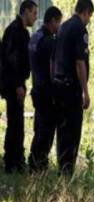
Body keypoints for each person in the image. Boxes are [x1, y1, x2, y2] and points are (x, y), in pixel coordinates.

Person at [53, 0, 94, 175]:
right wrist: (85, 92)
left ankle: (62, 165)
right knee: (73, 128)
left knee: (62, 128)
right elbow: (79, 62)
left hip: (58, 83)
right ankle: (68, 169)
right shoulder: (79, 29)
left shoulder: (63, 27)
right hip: (71, 87)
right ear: (85, 12)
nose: (89, 20)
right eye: (89, 16)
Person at [1, 0, 38, 173]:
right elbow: (12, 61)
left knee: (17, 123)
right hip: (13, 84)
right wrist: (18, 85)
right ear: (25, 12)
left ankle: (16, 159)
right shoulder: (16, 32)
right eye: (34, 13)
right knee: (15, 123)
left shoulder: (19, 31)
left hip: (15, 83)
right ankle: (12, 161)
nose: (35, 17)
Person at [28, 6, 62, 172]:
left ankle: (34, 160)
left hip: (36, 88)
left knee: (39, 127)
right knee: (47, 130)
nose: (60, 26)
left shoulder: (35, 36)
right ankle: (39, 163)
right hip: (47, 91)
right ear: (53, 21)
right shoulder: (50, 41)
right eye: (59, 22)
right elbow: (52, 68)